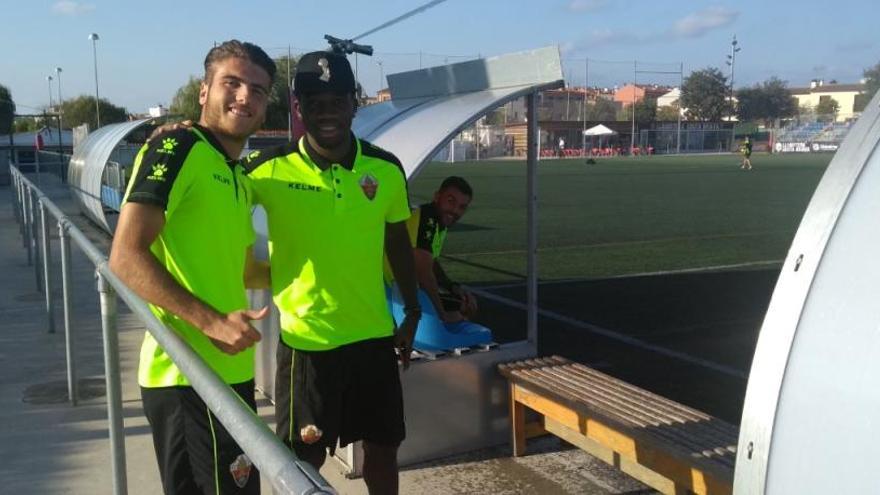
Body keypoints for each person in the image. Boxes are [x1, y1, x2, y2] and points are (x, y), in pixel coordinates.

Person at [242, 51, 420, 495]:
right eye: (314, 102)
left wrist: (413, 311)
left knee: (382, 449)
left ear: (354, 104)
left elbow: (397, 242)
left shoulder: (385, 169)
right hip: (308, 345)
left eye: (337, 100)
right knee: (304, 460)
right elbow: (213, 191)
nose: (327, 112)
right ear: (297, 108)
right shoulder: (265, 171)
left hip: (374, 339)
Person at [108, 40, 274, 495]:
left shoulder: (236, 175)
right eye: (232, 83)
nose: (245, 96)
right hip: (185, 376)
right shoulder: (178, 147)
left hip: (229, 373)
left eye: (258, 90)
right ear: (204, 91)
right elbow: (125, 256)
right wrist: (212, 322)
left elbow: (229, 268)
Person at [392, 176, 477, 323]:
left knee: (461, 303)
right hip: (389, 287)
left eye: (462, 207)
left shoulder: (438, 222)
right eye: (451, 201)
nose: (455, 210)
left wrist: (453, 287)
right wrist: (442, 316)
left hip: (398, 284)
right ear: (437, 196)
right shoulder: (427, 219)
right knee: (459, 309)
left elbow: (431, 263)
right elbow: (424, 275)